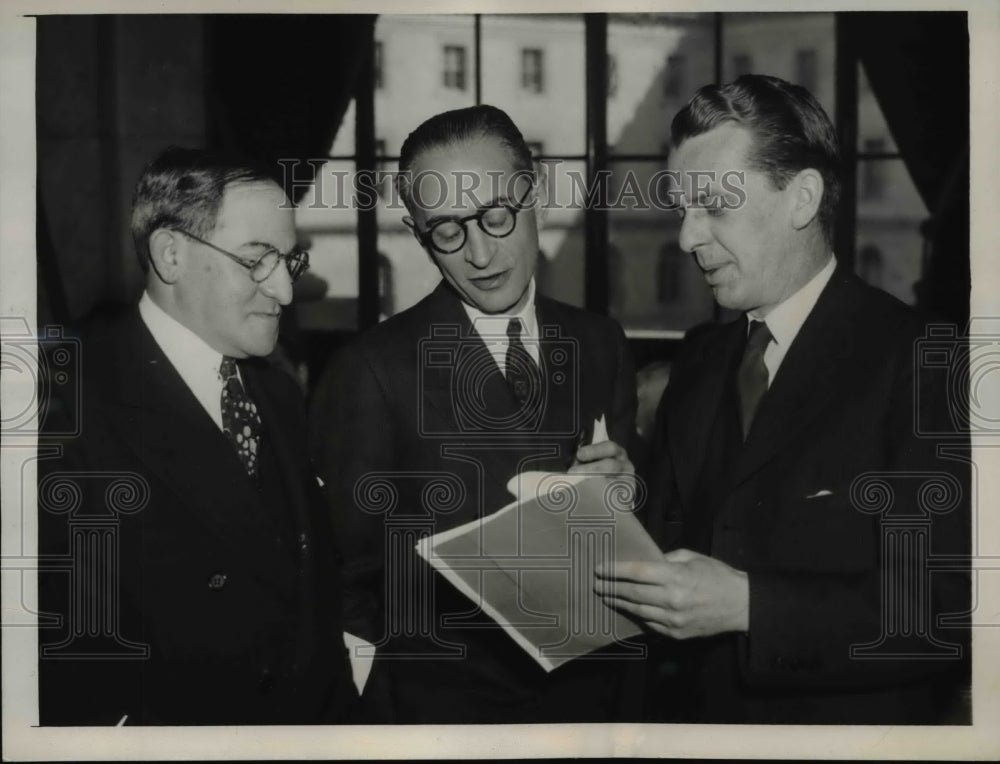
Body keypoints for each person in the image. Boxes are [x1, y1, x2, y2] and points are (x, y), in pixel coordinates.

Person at [595, 75, 970, 724]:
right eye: (682, 210)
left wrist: (748, 606)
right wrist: (626, 498)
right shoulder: (701, 357)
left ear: (802, 198)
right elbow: (681, 548)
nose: (686, 239)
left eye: (713, 206)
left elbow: (943, 607)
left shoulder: (927, 361)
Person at [310, 105, 641, 723]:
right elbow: (344, 581)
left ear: (534, 193)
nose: (480, 254)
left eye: (496, 216)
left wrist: (625, 495)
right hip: (443, 716)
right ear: (417, 233)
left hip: (596, 702)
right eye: (447, 231)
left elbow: (634, 540)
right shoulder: (371, 369)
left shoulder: (601, 342)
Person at [37, 147, 357, 725]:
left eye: (290, 260)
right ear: (170, 254)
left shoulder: (278, 392)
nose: (284, 291)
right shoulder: (61, 406)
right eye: (257, 260)